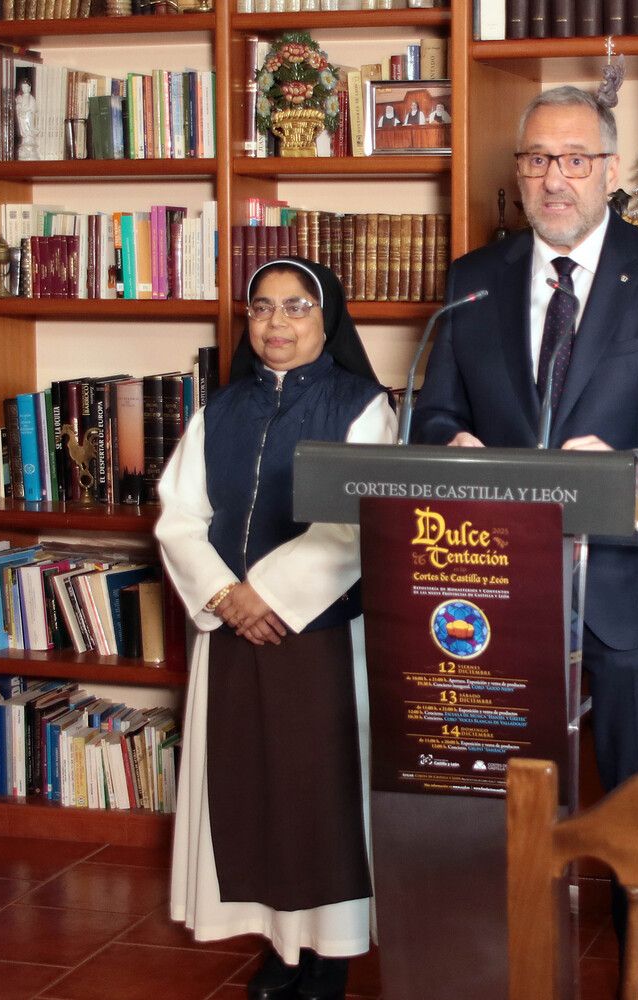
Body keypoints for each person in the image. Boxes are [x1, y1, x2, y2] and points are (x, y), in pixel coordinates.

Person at [410, 85, 638, 985]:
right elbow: (433, 413)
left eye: (572, 160)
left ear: (609, 170)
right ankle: (510, 968)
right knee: (511, 813)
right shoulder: (470, 282)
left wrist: (634, 467)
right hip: (501, 596)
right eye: (534, 160)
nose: (552, 179)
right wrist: (450, 441)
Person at [156, 259, 396, 1000]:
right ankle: (276, 947)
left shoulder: (364, 406)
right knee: (249, 793)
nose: (277, 323)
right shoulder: (216, 412)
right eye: (262, 308)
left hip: (320, 639)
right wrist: (227, 596)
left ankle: (327, 955)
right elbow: (179, 518)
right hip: (230, 638)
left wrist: (269, 596)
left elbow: (360, 520)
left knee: (316, 796)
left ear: (327, 319)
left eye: (295, 307)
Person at [14, 79, 37, 161]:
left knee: (29, 127)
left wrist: (27, 111)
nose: (25, 89)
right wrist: (19, 107)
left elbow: (33, 109)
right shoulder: (20, 97)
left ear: (29, 88)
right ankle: (25, 146)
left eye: (26, 87)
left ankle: (29, 146)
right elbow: (18, 108)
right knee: (23, 127)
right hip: (22, 117)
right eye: (23, 87)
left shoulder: (31, 98)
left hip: (28, 116)